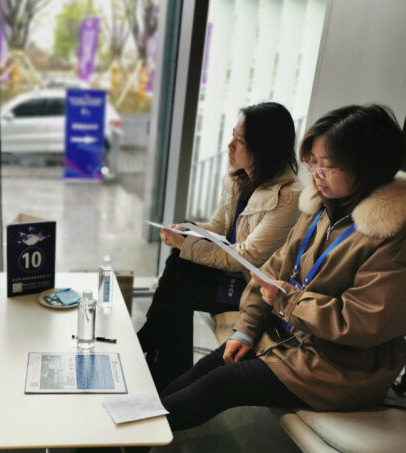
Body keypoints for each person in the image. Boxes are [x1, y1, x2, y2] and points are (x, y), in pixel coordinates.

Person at [160, 104, 406, 432]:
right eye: (312, 163)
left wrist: (286, 299)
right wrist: (247, 330)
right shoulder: (322, 208)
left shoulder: (391, 236)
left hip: (338, 368)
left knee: (220, 384)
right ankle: (134, 426)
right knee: (209, 366)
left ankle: (136, 433)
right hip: (286, 340)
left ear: (367, 165)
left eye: (327, 166)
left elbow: (361, 321)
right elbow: (272, 271)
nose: (316, 175)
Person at [137, 102, 303, 391]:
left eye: (239, 140)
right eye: (232, 136)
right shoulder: (239, 179)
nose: (230, 146)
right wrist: (188, 232)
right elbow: (219, 229)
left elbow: (247, 257)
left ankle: (155, 349)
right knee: (180, 273)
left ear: (264, 147)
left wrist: (186, 244)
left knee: (178, 285)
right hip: (229, 278)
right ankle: (164, 370)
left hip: (252, 290)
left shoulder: (289, 197)